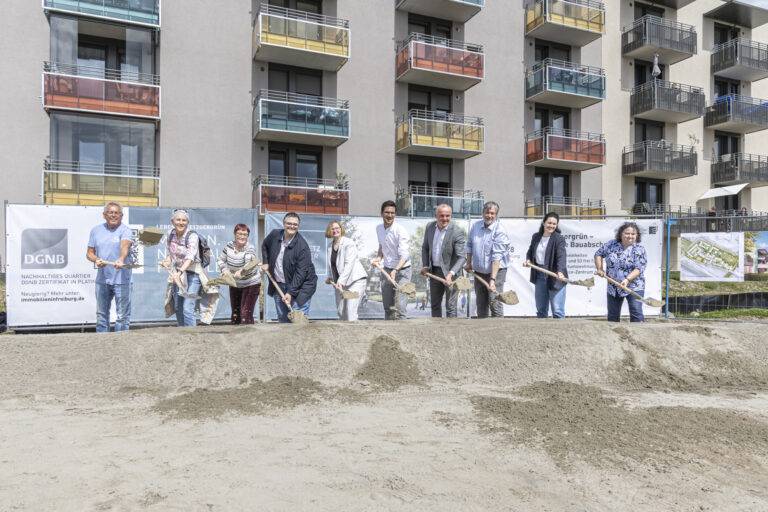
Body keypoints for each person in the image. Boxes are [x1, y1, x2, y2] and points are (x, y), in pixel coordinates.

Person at [261, 212, 317, 323]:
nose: (292, 226)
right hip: (279, 285)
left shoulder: (302, 247)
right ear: (283, 223)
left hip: (301, 287)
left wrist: (290, 293)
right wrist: (266, 262)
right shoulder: (274, 235)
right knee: (283, 319)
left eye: (295, 224)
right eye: (289, 223)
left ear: (298, 226)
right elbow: (265, 245)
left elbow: (301, 274)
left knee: (297, 320)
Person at [86, 202, 134, 332]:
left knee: (122, 316)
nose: (113, 215)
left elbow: (125, 246)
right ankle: (102, 345)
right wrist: (96, 259)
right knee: (101, 315)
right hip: (102, 280)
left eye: (116, 213)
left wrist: (121, 259)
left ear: (121, 215)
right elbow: (89, 253)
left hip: (122, 280)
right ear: (104, 215)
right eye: (110, 212)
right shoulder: (95, 231)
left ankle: (121, 345)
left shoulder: (126, 230)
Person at [160, 209, 210, 327]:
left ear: (187, 222)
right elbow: (171, 254)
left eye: (184, 220)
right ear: (172, 221)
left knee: (188, 307)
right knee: (178, 306)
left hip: (193, 275)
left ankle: (191, 337)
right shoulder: (170, 235)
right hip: (178, 275)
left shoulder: (192, 236)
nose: (181, 222)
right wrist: (166, 261)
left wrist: (180, 271)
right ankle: (182, 335)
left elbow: (190, 257)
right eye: (178, 220)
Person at [594, 222, 648, 323]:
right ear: (621, 234)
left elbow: (639, 269)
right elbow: (598, 254)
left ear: (637, 236)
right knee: (613, 316)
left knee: (636, 313)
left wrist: (627, 280)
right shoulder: (611, 245)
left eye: (633, 234)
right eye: (627, 233)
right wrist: (600, 269)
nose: (630, 236)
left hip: (634, 287)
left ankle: (639, 336)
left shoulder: (639, 249)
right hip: (613, 287)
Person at [465, 201, 511, 318]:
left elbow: (497, 257)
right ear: (482, 213)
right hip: (479, 272)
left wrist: (492, 279)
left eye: (492, 213)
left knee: (494, 302)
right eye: (487, 212)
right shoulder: (475, 226)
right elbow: (469, 245)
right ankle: (483, 333)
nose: (489, 216)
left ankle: (499, 331)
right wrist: (469, 263)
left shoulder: (500, 231)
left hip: (497, 272)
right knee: (481, 304)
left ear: (496, 215)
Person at [420, 203, 466, 318]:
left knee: (451, 307)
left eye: (447, 216)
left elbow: (462, 257)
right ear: (436, 216)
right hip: (434, 272)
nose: (445, 219)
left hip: (452, 274)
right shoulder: (430, 227)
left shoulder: (457, 231)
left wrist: (451, 273)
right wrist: (425, 265)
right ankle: (437, 333)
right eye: (441, 215)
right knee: (435, 305)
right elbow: (425, 248)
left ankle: (451, 333)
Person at [371, 200, 411, 320]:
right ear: (382, 213)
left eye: (392, 213)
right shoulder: (378, 228)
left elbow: (404, 255)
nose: (389, 215)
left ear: (395, 214)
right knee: (388, 307)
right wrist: (378, 258)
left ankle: (403, 334)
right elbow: (381, 247)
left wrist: (395, 270)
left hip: (403, 270)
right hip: (386, 270)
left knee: (400, 308)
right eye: (387, 212)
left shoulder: (400, 231)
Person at [524, 212, 568, 319]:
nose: (551, 226)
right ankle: (542, 335)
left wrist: (560, 271)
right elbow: (530, 252)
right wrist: (528, 260)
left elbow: (561, 257)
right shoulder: (536, 237)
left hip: (555, 276)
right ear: (544, 223)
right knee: (541, 310)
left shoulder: (559, 239)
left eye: (554, 224)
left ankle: (560, 334)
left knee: (557, 311)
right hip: (539, 276)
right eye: (549, 223)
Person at [325, 220, 368, 321]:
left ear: (341, 229)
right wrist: (331, 277)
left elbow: (349, 264)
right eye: (332, 229)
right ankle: (345, 335)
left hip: (355, 281)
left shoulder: (349, 243)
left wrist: (341, 281)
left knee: (350, 311)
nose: (335, 230)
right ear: (329, 231)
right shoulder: (329, 247)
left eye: (337, 228)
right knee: (341, 312)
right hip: (341, 283)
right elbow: (333, 265)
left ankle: (355, 335)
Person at [218, 223, 261, 324]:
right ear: (235, 234)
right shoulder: (229, 246)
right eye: (239, 234)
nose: (242, 237)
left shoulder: (250, 249)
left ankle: (249, 337)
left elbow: (249, 265)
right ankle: (234, 338)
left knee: (245, 314)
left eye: (245, 234)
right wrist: (224, 270)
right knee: (236, 314)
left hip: (251, 283)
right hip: (235, 283)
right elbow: (220, 260)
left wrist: (241, 272)